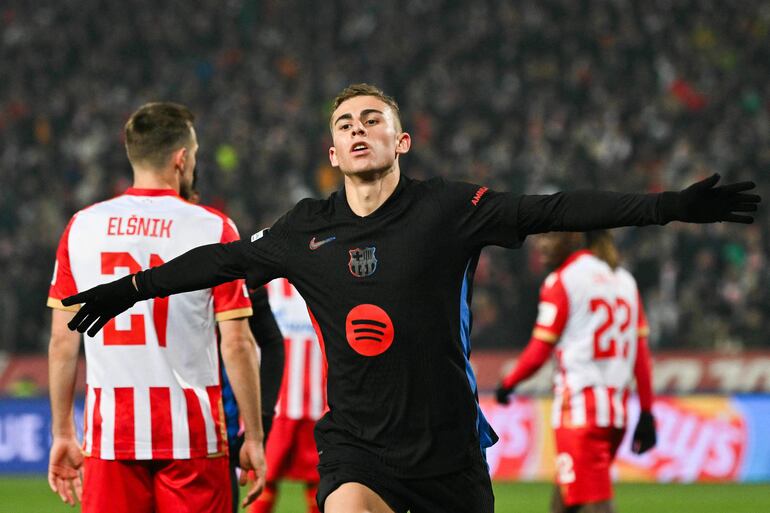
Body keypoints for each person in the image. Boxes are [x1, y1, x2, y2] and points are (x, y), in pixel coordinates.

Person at [60, 84, 759, 513]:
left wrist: (669, 205)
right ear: (333, 152)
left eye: (373, 119)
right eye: (345, 124)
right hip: (357, 446)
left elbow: (553, 207)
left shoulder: (451, 208)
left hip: (448, 447)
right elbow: (226, 258)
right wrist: (132, 286)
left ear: (402, 139)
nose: (358, 129)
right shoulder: (307, 226)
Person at [47, 102, 266, 513]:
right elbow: (236, 344)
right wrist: (253, 437)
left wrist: (62, 433)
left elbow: (63, 342)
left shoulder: (82, 226)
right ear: (182, 158)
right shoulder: (213, 227)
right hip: (194, 437)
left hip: (111, 436)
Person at [495, 230, 656, 513]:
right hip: (615, 412)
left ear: (574, 237)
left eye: (549, 236)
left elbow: (539, 350)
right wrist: (646, 411)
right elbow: (640, 355)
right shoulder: (625, 280)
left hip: (580, 411)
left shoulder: (563, 280)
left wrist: (508, 383)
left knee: (596, 503)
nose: (540, 244)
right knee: (568, 495)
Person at [185, 183, 286, 513]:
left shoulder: (227, 259)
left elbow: (269, 342)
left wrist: (260, 427)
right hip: (154, 437)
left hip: (214, 443)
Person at [251, 278, 327, 513]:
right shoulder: (267, 284)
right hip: (277, 405)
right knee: (265, 478)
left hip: (318, 403)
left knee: (321, 480)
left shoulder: (322, 280)